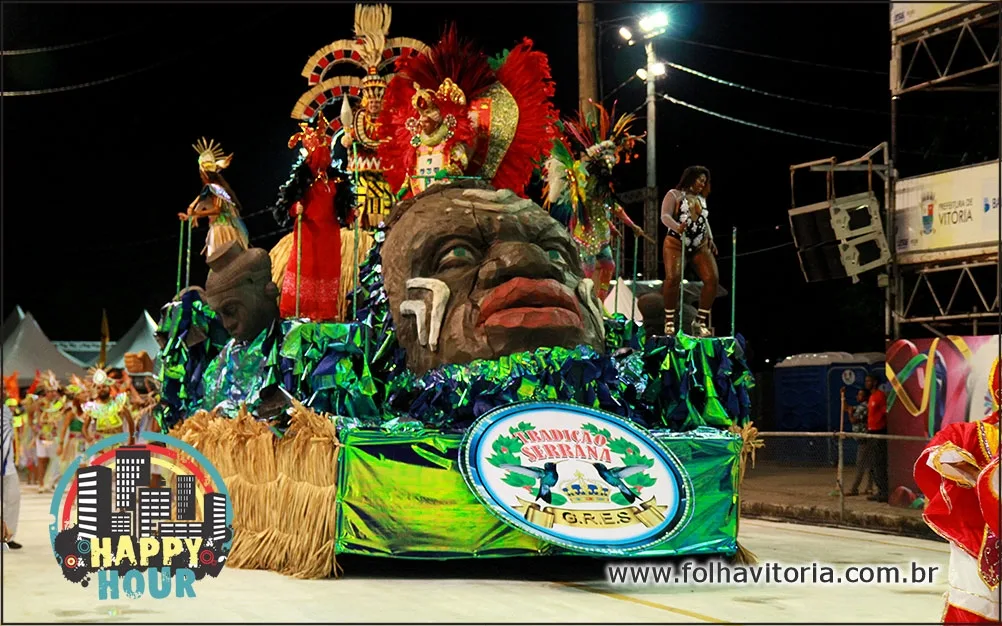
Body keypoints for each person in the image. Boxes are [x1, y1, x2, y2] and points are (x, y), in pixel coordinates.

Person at [914, 356, 1000, 623]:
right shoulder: (975, 434)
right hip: (977, 546)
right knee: (976, 610)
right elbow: (939, 453)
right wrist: (979, 478)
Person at [661, 166, 719, 337]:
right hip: (675, 243)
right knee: (673, 278)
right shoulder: (674, 194)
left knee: (712, 279)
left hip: (699, 245)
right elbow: (665, 216)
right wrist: (677, 227)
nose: (702, 183)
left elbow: (704, 220)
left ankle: (699, 322)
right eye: (700, 179)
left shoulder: (702, 199)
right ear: (690, 178)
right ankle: (669, 320)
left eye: (705, 181)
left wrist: (710, 238)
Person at [179, 138, 250, 258]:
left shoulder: (215, 189)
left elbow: (217, 210)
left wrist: (196, 213)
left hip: (222, 230)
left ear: (204, 174)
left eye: (201, 173)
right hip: (217, 229)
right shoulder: (209, 190)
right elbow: (198, 207)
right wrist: (189, 217)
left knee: (223, 261)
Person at [842, 387, 874, 496]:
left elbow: (853, 419)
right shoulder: (860, 407)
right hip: (864, 439)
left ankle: (854, 488)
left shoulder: (864, 407)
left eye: (860, 395)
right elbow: (847, 408)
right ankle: (869, 487)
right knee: (870, 464)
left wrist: (850, 414)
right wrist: (843, 397)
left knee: (860, 465)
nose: (857, 397)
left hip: (864, 440)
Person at [864, 375, 889, 502]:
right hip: (871, 431)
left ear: (875, 382)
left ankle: (884, 491)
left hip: (879, 431)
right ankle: (879, 490)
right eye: (866, 381)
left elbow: (886, 412)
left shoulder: (879, 396)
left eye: (869, 381)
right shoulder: (871, 397)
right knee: (873, 463)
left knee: (879, 463)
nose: (866, 383)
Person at [2, 404, 21, 550]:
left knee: (13, 499)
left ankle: (8, 537)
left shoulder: (7, 410)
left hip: (8, 465)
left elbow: (12, 432)